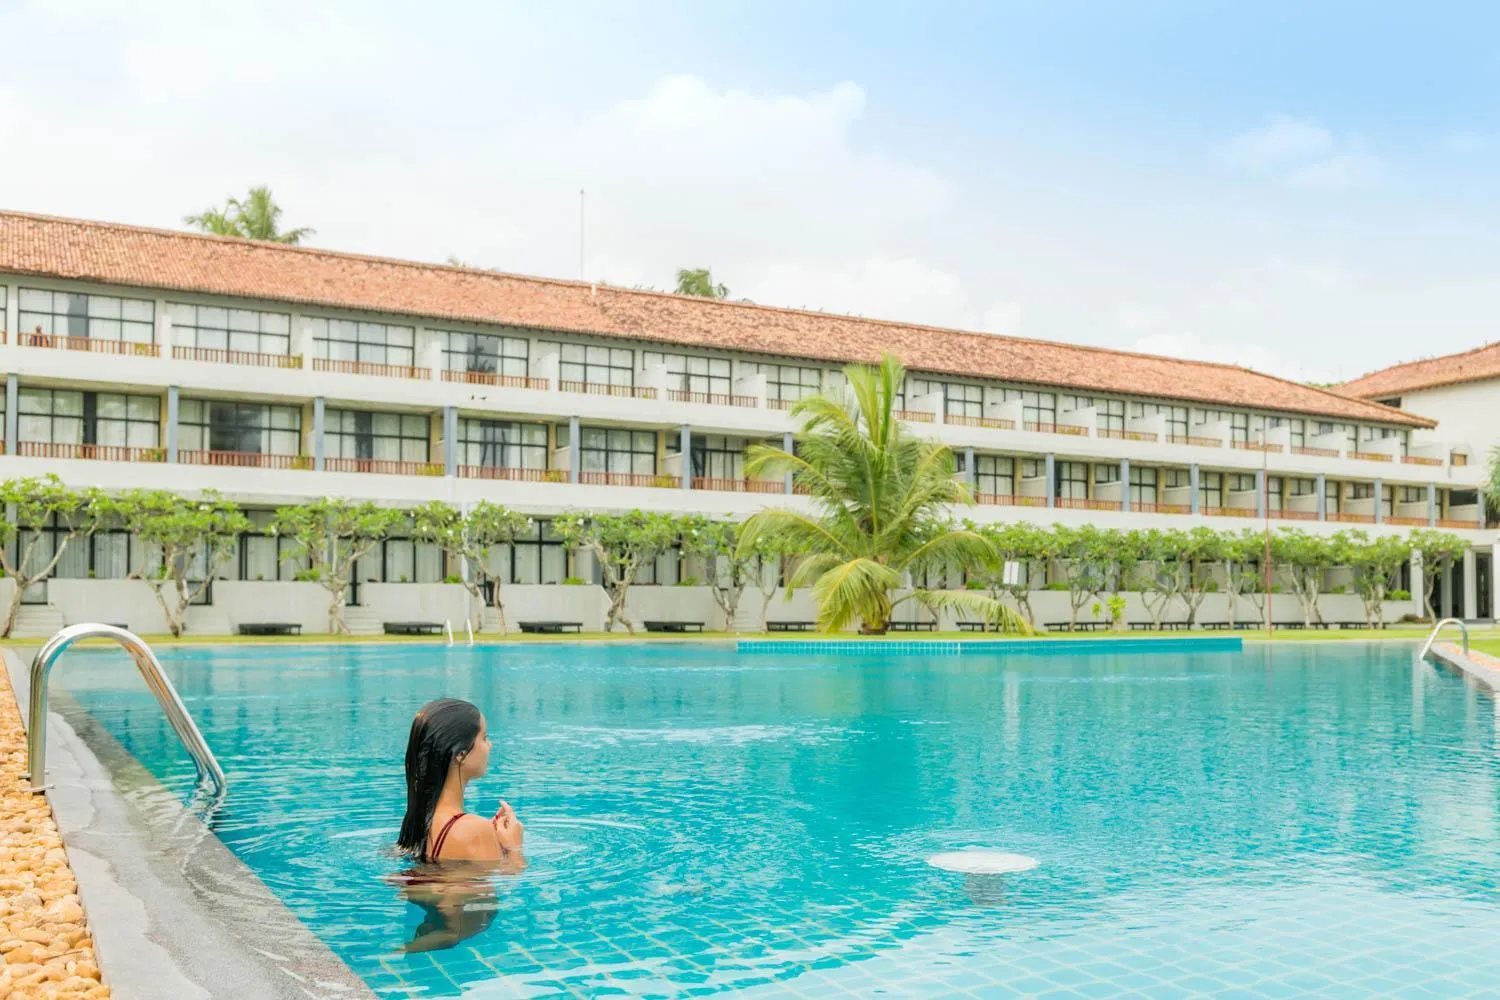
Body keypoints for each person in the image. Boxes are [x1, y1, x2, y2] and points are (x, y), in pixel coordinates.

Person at [397, 698, 525, 863]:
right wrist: (513, 848)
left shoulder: (417, 824)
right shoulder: (475, 830)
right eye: (484, 738)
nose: (490, 745)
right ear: (461, 754)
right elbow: (501, 886)